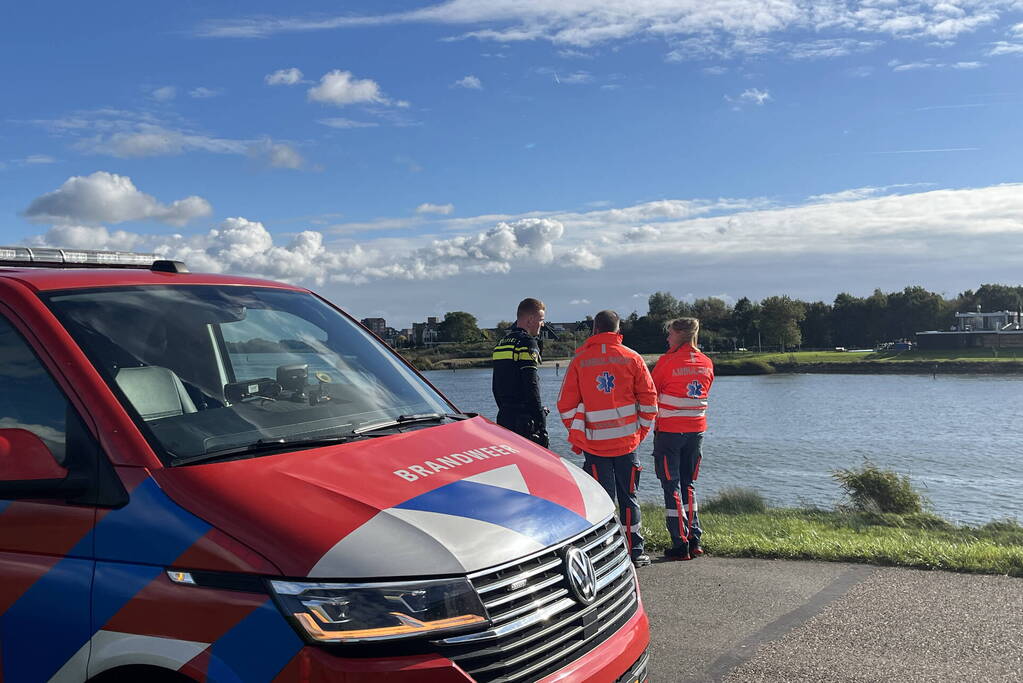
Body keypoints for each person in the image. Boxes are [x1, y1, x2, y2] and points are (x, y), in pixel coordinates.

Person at [557, 310, 658, 567]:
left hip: (595, 445)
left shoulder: (580, 360)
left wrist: (579, 434)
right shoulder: (632, 358)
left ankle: (607, 555)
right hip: (627, 443)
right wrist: (640, 433)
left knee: (600, 501)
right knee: (629, 498)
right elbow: (649, 401)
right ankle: (636, 551)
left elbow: (565, 405)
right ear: (617, 329)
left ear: (594, 329)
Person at [650, 317, 715, 561]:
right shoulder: (706, 363)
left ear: (679, 334)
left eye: (669, 334)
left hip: (669, 431)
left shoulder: (667, 362)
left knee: (671, 485)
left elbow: (650, 392)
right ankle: (695, 537)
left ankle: (680, 542)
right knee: (689, 484)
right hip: (696, 430)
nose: (667, 338)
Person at [492, 298, 549, 447]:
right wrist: (540, 420)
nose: (542, 324)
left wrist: (505, 410)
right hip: (525, 421)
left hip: (504, 417)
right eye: (541, 320)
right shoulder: (528, 343)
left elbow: (496, 386)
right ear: (530, 320)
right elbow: (531, 384)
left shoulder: (501, 344)